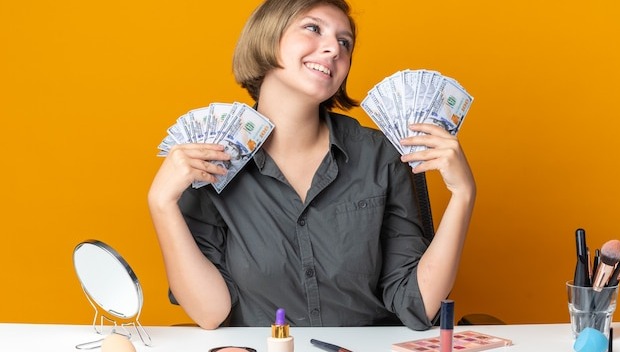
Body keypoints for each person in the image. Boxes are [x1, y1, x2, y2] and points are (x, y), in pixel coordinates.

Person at [148, 0, 475, 330]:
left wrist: (463, 194)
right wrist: (161, 204)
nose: (334, 48)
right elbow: (210, 313)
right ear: (267, 36)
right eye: (313, 28)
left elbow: (416, 303)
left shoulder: (381, 155)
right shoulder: (211, 159)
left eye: (344, 42)